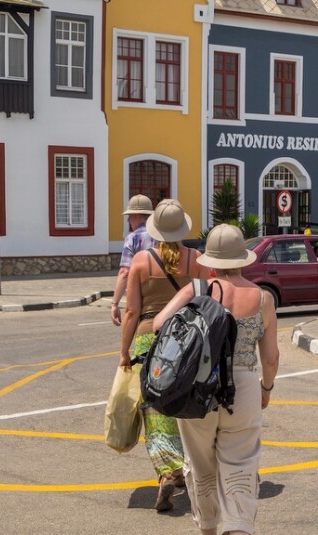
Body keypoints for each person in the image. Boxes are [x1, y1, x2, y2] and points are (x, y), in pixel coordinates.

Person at [154, 223, 279, 535]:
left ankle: (208, 527)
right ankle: (237, 528)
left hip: (198, 385)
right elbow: (271, 357)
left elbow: (159, 325)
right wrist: (266, 387)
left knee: (200, 463)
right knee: (241, 462)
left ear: (211, 260)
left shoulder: (196, 290)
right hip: (245, 386)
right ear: (242, 258)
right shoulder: (263, 298)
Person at [120, 199, 200, 511]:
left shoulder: (140, 262)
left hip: (148, 341)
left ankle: (168, 471)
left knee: (154, 411)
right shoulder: (198, 260)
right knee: (184, 406)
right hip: (186, 341)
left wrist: (124, 352)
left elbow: (131, 312)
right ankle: (186, 469)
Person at [111, 194, 157, 327]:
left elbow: (125, 272)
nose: (128, 221)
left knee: (144, 334)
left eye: (129, 216)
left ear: (137, 216)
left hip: (143, 297)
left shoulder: (133, 238)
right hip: (165, 295)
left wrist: (115, 304)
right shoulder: (163, 235)